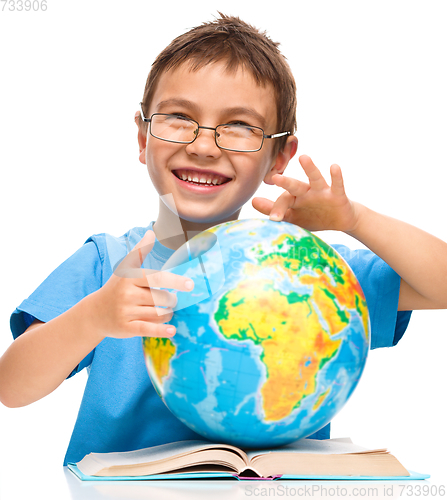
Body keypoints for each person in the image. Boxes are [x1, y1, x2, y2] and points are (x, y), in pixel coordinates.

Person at [1, 14, 447, 466]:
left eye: (239, 126)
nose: (204, 146)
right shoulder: (111, 264)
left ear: (280, 156)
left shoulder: (312, 277)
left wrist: (356, 219)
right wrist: (93, 317)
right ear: (143, 136)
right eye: (178, 118)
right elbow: (11, 388)